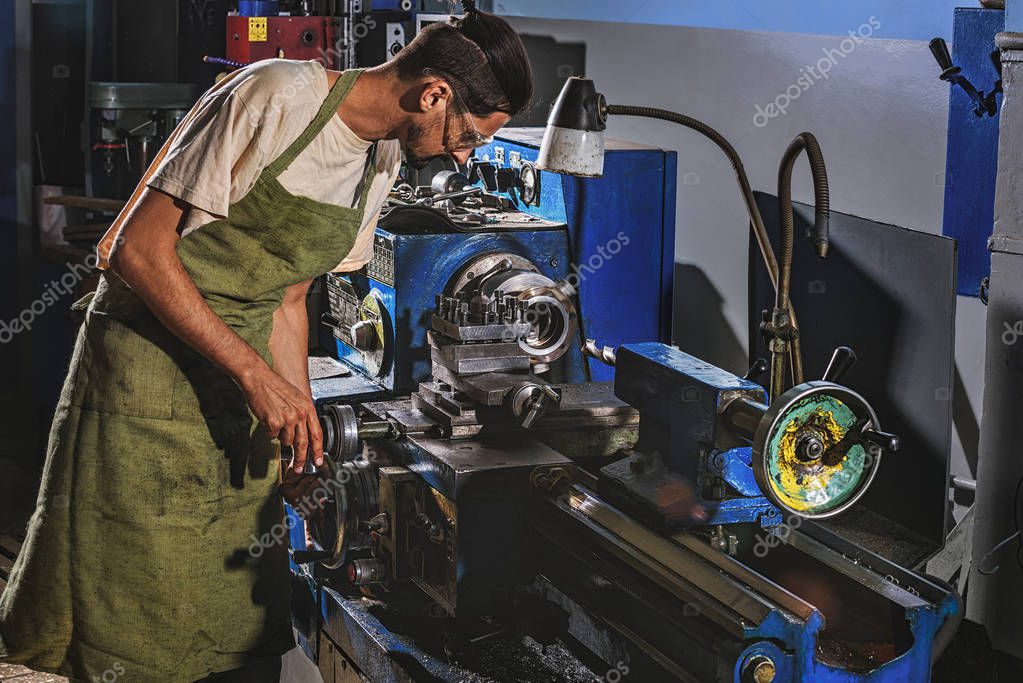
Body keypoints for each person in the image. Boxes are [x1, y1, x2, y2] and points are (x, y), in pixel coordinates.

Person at [0, 2, 533, 680]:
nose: (464, 156)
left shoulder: (378, 164)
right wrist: (257, 378)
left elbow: (287, 300)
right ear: (433, 94)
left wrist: (299, 432)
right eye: (469, 137)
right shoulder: (276, 95)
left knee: (234, 616)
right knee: (134, 607)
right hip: (145, 380)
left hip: (238, 382)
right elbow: (132, 248)